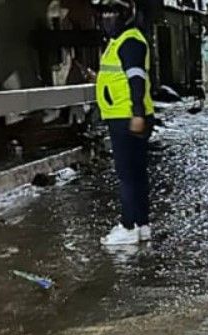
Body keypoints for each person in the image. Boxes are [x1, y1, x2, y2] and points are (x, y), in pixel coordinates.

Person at [94, 0, 154, 246]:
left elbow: (136, 79)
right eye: (105, 13)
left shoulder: (129, 41)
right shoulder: (121, 41)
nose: (108, 18)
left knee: (127, 175)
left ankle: (128, 226)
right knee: (136, 174)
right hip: (127, 115)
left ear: (126, 15)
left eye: (113, 13)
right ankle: (141, 224)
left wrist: (137, 113)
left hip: (126, 116)